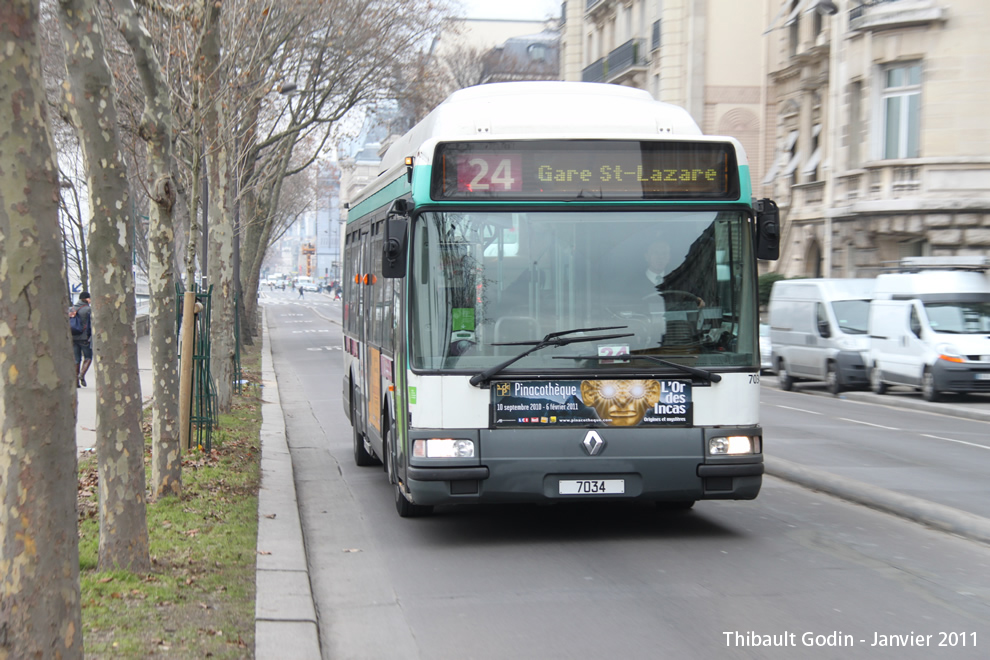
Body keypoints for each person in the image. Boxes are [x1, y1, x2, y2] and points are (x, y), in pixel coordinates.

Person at [70, 291, 93, 388]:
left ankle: (76, 382)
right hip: (84, 338)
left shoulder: (71, 309)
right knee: (88, 357)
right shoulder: (88, 309)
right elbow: (91, 325)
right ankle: (82, 374)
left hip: (73, 337)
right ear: (87, 299)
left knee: (76, 358)